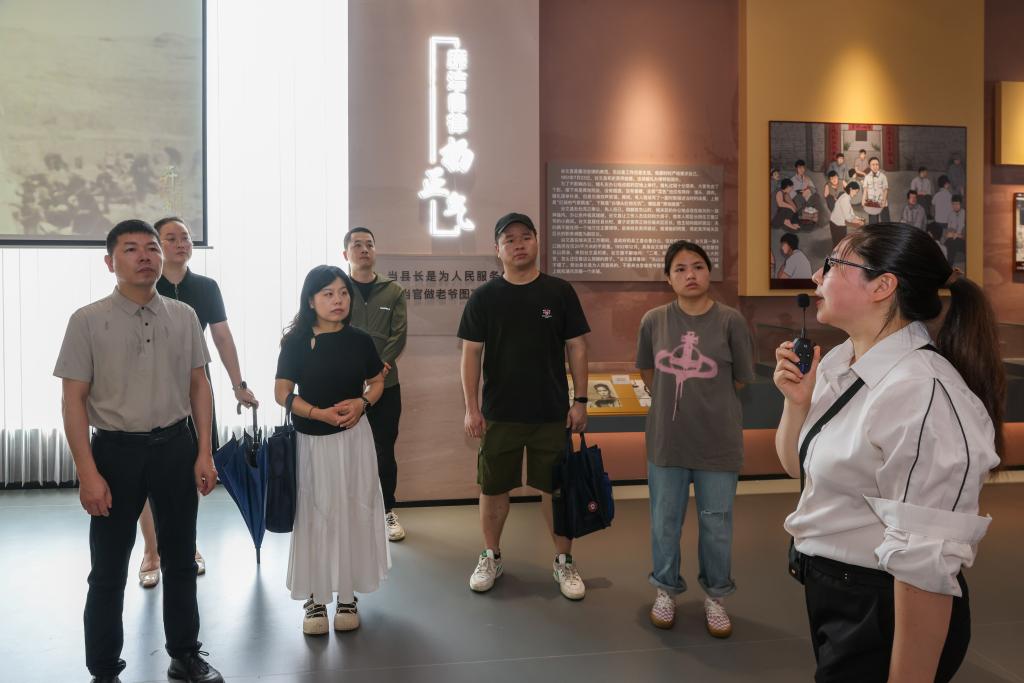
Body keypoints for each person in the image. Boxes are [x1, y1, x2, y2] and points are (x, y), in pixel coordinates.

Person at [772, 223, 1004, 682]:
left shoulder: (921, 391)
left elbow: (925, 565)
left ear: (882, 286)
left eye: (832, 265)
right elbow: (799, 469)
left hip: (880, 609)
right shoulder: (840, 361)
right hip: (832, 594)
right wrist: (796, 404)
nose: (816, 277)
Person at [54, 220, 223, 683]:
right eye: (131, 249)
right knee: (108, 569)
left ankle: (185, 655)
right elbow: (72, 401)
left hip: (175, 447)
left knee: (181, 559)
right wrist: (87, 473)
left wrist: (204, 452)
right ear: (110, 262)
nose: (145, 256)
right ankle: (104, 669)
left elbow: (199, 386)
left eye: (151, 247)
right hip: (115, 453)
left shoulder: (184, 316)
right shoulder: (87, 320)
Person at [458, 212, 590, 600]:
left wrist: (581, 401)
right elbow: (471, 354)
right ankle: (491, 556)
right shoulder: (485, 297)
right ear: (497, 249)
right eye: (509, 239)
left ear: (537, 241)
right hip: (500, 413)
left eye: (525, 237)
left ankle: (564, 561)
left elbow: (577, 347)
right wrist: (471, 408)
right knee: (493, 488)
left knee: (557, 489)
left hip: (552, 412)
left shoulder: (559, 292)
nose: (518, 245)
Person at [132, 217, 259, 588]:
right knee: (146, 473)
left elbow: (222, 337)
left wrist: (238, 385)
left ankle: (186, 544)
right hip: (146, 388)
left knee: (193, 467)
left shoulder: (205, 287)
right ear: (156, 245)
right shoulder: (143, 285)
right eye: (171, 238)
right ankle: (152, 550)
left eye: (185, 237)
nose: (181, 243)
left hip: (193, 386)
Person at [636, 240, 755, 637]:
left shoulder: (731, 321)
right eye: (681, 269)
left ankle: (716, 596)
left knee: (716, 524)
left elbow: (741, 378)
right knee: (664, 522)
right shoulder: (654, 320)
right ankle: (665, 589)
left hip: (717, 442)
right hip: (667, 441)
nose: (691, 274)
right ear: (668, 279)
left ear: (709, 273)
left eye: (698, 266)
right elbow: (648, 371)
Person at [274, 265, 389, 635]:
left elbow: (376, 382)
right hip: (311, 442)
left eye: (343, 293)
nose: (338, 300)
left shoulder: (360, 340)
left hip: (354, 439)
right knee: (314, 513)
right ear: (311, 300)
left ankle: (347, 595)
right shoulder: (295, 341)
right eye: (328, 294)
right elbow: (281, 392)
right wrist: (317, 413)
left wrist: (363, 403)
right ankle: (314, 597)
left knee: (353, 509)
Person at [343, 226, 409, 542]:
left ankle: (387, 512)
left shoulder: (393, 291)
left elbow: (399, 334)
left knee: (384, 450)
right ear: (345, 253)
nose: (364, 249)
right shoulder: (338, 289)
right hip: (344, 385)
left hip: (386, 383)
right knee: (345, 450)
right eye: (357, 244)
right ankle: (351, 513)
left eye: (369, 244)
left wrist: (378, 367)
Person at [828, 181, 864, 247]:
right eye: (856, 192)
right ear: (851, 189)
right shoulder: (845, 199)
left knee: (841, 244)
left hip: (839, 223)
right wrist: (858, 222)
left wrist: (858, 218)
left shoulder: (846, 197)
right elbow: (848, 218)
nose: (856, 194)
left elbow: (851, 213)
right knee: (838, 245)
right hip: (836, 224)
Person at [862, 157, 890, 223]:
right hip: (872, 204)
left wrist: (883, 201)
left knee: (886, 223)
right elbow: (865, 190)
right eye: (873, 165)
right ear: (869, 166)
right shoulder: (867, 177)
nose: (875, 166)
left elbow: (885, 190)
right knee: (873, 223)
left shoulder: (883, 176)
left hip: (882, 202)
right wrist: (863, 200)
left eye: (877, 164)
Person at [944, 195, 966, 268]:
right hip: (953, 238)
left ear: (961, 204)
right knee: (949, 242)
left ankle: (949, 265)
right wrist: (949, 234)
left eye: (957, 204)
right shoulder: (950, 215)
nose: (955, 206)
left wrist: (959, 235)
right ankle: (948, 265)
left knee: (952, 243)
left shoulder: (966, 214)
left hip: (963, 240)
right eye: (953, 204)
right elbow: (948, 229)